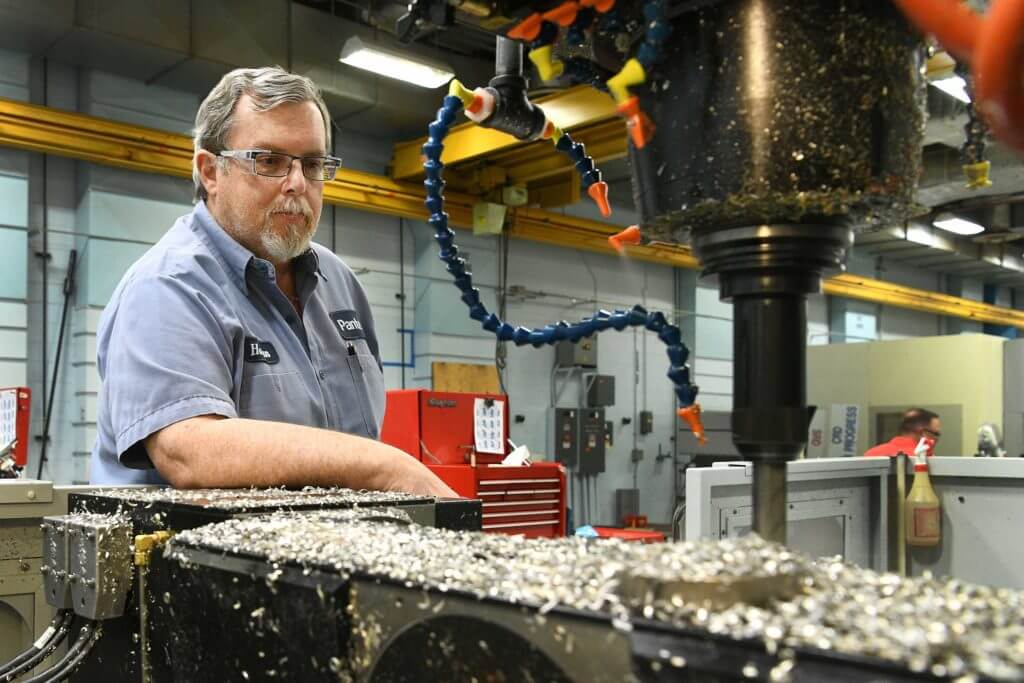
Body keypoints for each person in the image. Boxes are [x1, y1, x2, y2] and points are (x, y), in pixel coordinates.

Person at [89, 67, 455, 497]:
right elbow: (189, 449)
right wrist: (385, 468)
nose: (297, 183)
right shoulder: (168, 287)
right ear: (210, 171)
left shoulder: (340, 285)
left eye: (313, 164)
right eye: (269, 161)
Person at [863, 408, 941, 457]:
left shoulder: (870, 454)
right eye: (936, 434)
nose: (936, 439)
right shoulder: (921, 461)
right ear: (922, 433)